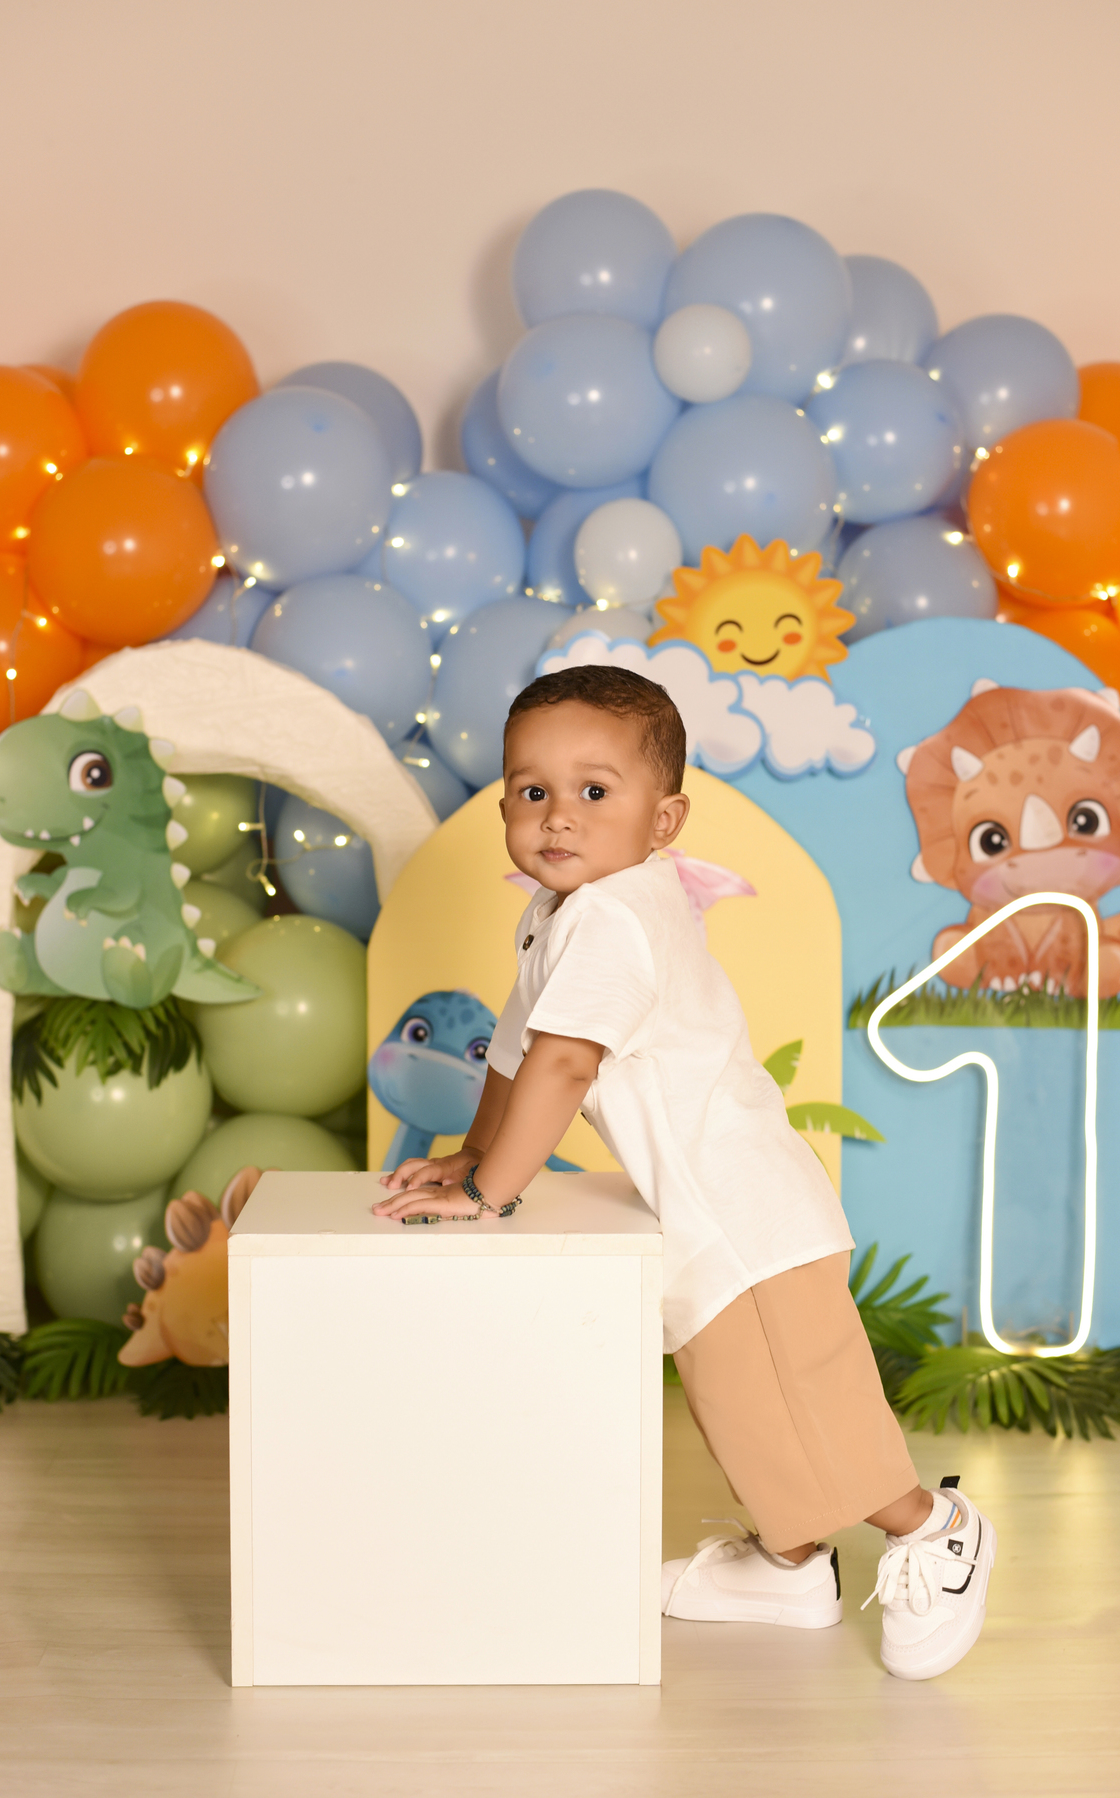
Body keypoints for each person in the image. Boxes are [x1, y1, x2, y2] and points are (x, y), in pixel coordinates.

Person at [374, 664, 995, 1682]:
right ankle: (791, 1567)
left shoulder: (616, 916)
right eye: (532, 791)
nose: (558, 815)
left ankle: (938, 1527)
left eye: (595, 790)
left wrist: (490, 1193)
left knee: (817, 1415)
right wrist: (476, 1152)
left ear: (664, 821)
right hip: (706, 1217)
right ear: (504, 809)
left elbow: (566, 1065)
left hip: (750, 1217)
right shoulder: (559, 913)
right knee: (746, 1413)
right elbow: (519, 1051)